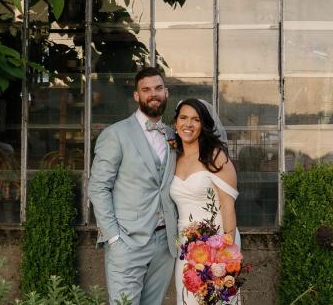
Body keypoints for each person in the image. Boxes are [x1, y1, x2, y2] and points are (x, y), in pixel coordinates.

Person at [89, 67, 179, 305]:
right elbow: (98, 187)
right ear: (137, 96)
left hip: (165, 244)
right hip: (127, 242)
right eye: (146, 89)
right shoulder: (115, 134)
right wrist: (114, 239)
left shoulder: (173, 135)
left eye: (158, 88)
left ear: (166, 93)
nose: (153, 94)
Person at [170, 98, 239, 305]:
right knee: (187, 298)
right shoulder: (173, 157)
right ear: (175, 123)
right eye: (183, 118)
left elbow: (228, 206)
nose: (188, 124)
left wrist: (225, 257)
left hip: (216, 242)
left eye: (195, 119)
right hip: (184, 246)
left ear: (204, 125)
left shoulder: (215, 156)